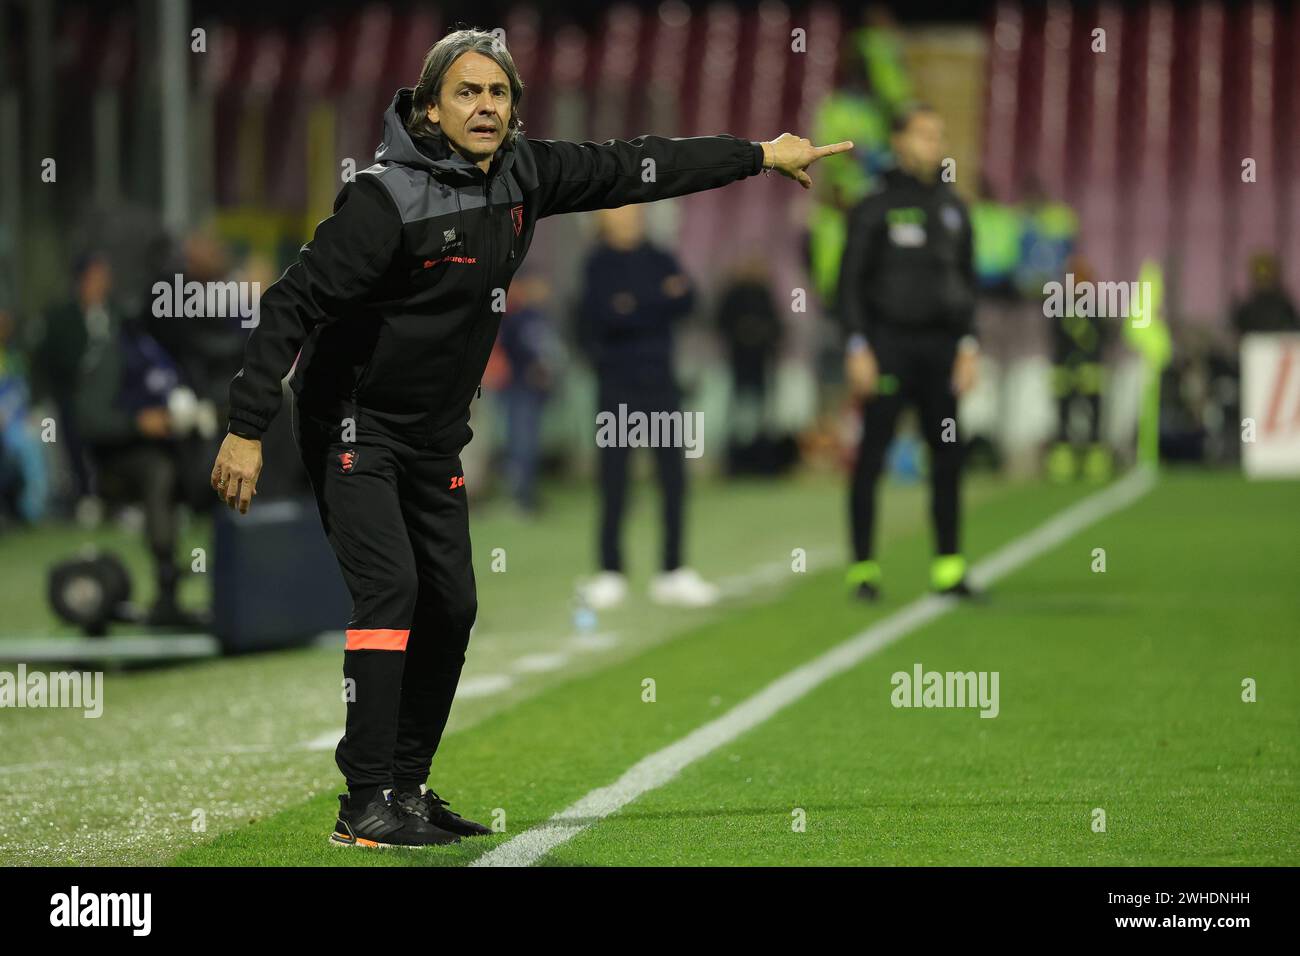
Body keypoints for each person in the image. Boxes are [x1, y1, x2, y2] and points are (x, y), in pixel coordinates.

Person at [208, 28, 851, 849]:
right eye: (467, 93)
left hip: (435, 436)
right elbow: (290, 305)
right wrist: (245, 427)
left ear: (514, 109)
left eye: (498, 93)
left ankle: (406, 788)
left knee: (455, 604)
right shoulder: (383, 201)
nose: (485, 107)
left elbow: (633, 164)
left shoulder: (525, 172)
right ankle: (362, 802)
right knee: (391, 591)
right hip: (351, 423)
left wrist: (756, 154)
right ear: (431, 109)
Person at [837, 104, 978, 602]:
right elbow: (848, 283)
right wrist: (857, 345)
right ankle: (863, 570)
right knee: (871, 457)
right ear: (899, 141)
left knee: (947, 458)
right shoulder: (873, 204)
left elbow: (966, 283)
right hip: (888, 346)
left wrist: (968, 344)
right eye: (923, 135)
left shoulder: (954, 208)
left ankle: (949, 568)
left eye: (938, 135)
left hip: (941, 350)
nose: (933, 145)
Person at [578, 204, 717, 610]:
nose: (628, 220)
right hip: (617, 387)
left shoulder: (659, 255)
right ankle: (610, 572)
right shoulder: (597, 263)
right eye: (619, 214)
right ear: (605, 221)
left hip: (661, 386)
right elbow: (598, 316)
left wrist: (634, 306)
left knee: (673, 479)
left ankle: (673, 571)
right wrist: (657, 300)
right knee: (615, 482)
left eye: (633, 213)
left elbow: (689, 300)